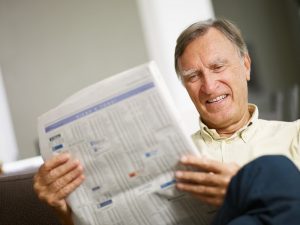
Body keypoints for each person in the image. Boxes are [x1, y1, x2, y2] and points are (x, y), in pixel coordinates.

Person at [33, 18, 300, 225]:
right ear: (184, 85)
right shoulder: (171, 154)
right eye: (193, 76)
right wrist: (65, 211)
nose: (208, 85)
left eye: (218, 67)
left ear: (246, 66)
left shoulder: (295, 135)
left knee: (273, 171)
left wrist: (241, 190)